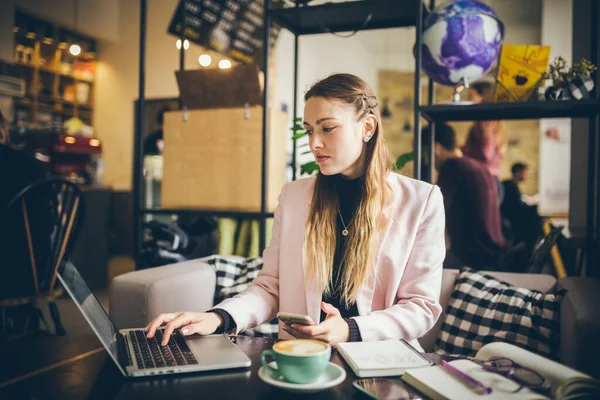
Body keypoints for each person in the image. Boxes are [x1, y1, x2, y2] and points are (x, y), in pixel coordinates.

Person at [146, 74, 446, 348]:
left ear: (367, 127)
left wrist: (350, 330)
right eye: (309, 130)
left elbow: (421, 307)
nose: (315, 143)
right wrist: (218, 318)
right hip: (299, 360)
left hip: (382, 363)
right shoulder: (294, 197)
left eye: (328, 128)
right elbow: (270, 287)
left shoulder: (421, 201)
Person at [430, 123, 508, 270]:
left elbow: (433, 211)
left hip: (472, 258)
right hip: (493, 254)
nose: (425, 159)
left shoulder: (452, 167)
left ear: (436, 148)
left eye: (424, 152)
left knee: (421, 266)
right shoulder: (476, 166)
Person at [463, 81, 507, 204]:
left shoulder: (484, 124)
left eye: (471, 95)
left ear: (482, 97)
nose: (468, 100)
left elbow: (485, 153)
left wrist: (462, 153)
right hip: (493, 180)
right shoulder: (496, 122)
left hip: (483, 181)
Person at [502, 162, 541, 261]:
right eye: (525, 172)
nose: (527, 175)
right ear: (518, 172)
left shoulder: (510, 186)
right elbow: (516, 209)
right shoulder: (510, 187)